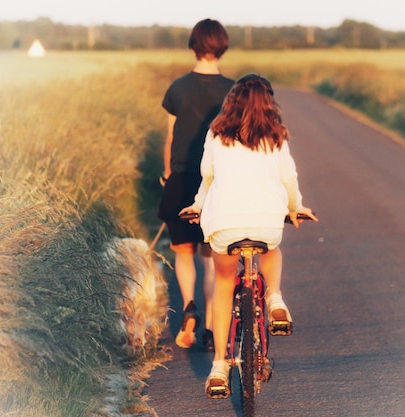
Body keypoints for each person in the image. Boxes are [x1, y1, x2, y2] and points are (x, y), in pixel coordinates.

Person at [179, 73, 318, 397]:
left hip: (225, 226)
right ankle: (275, 299)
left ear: (232, 102)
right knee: (271, 249)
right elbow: (289, 178)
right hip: (265, 224)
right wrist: (295, 207)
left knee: (225, 283)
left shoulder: (217, 134)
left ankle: (218, 367)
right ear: (268, 104)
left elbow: (208, 178)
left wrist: (199, 205)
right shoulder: (275, 136)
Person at [157, 18, 235, 351]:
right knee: (210, 257)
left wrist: (167, 175)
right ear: (223, 47)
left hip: (181, 176)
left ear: (193, 46)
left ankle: (189, 305)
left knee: (183, 252)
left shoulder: (177, 88)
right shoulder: (234, 90)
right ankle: (210, 330)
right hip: (216, 181)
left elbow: (171, 135)